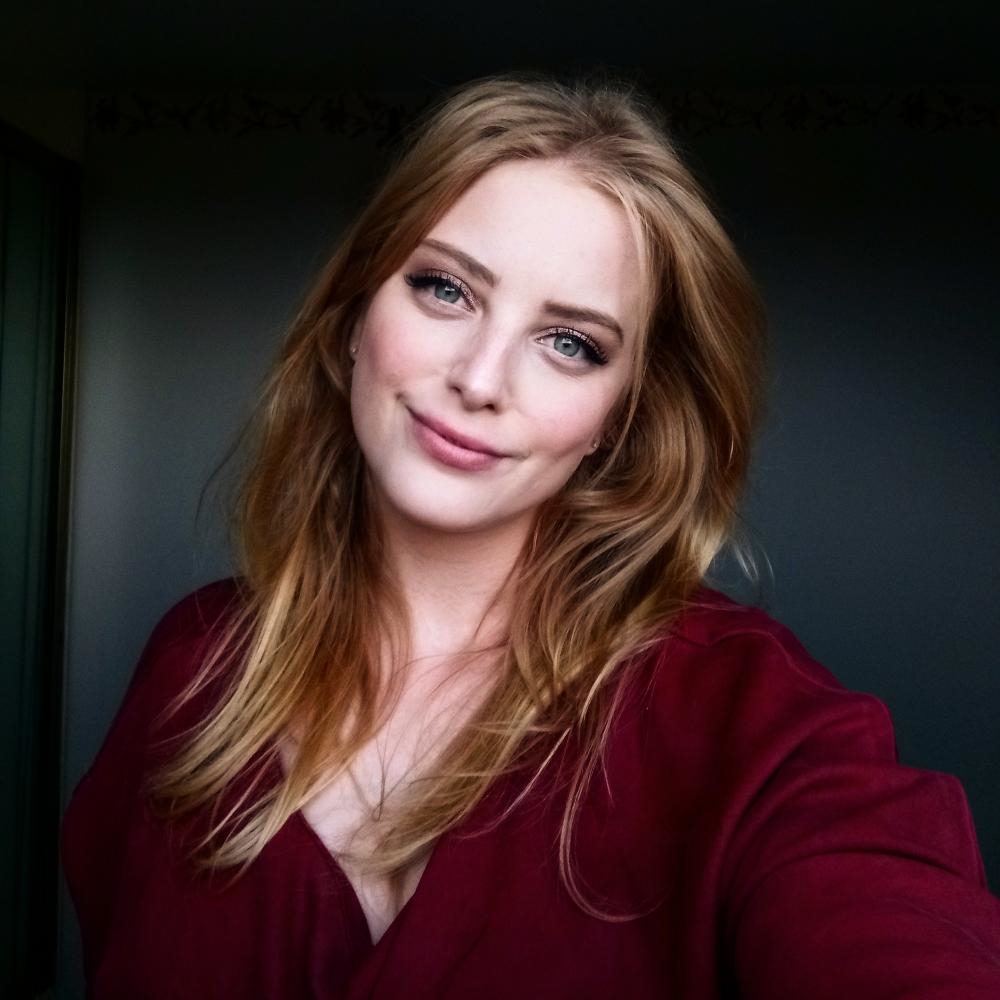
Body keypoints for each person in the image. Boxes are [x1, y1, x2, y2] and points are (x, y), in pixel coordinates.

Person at [62, 73, 1000, 998]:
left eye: (571, 343)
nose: (480, 379)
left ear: (618, 418)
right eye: (445, 289)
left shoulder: (751, 720)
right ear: (354, 314)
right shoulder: (194, 662)